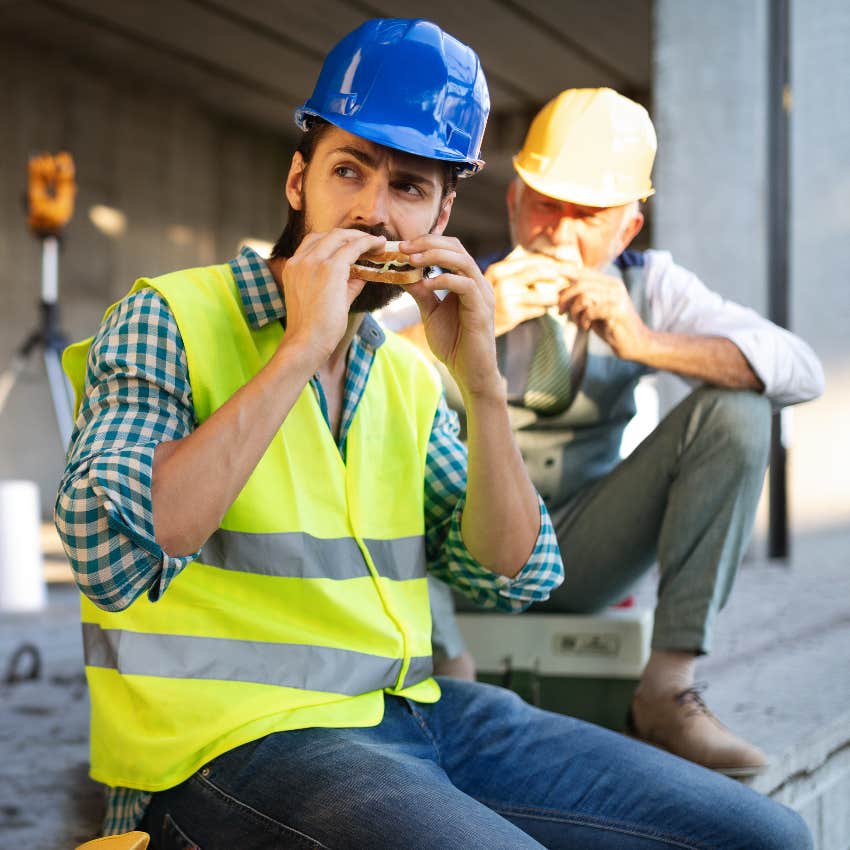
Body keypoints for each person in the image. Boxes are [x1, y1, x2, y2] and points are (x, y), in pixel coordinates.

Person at [56, 24, 811, 849]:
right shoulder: (168, 316)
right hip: (222, 749)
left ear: (442, 215)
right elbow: (109, 551)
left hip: (413, 714)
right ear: (298, 178)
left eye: (410, 188)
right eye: (349, 171)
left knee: (766, 836)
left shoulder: (406, 372)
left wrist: (481, 383)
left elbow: (515, 572)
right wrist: (301, 348)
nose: (374, 212)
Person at [397, 87, 825, 777]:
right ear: (513, 202)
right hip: (461, 556)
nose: (560, 235)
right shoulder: (453, 281)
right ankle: (453, 674)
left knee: (740, 409)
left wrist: (645, 342)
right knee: (392, 409)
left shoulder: (650, 285)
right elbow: (349, 376)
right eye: (545, 205)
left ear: (627, 229)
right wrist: (453, 331)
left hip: (584, 549)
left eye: (588, 216)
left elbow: (801, 371)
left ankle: (666, 688)